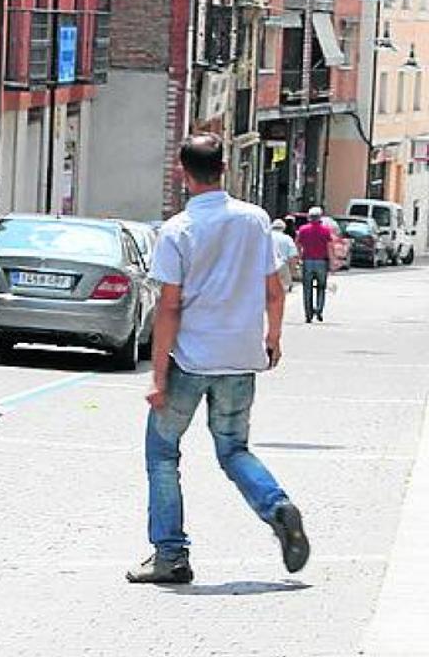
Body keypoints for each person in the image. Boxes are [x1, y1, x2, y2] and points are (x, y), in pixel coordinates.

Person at [126, 133, 309, 585]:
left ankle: (170, 555)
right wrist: (274, 337)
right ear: (224, 169)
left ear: (182, 175)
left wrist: (157, 375)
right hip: (241, 357)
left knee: (162, 453)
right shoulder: (255, 220)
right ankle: (277, 506)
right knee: (233, 449)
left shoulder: (177, 231)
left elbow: (169, 306)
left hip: (191, 359)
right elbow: (274, 288)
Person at [296, 206, 332, 323]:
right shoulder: (326, 230)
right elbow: (329, 247)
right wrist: (331, 261)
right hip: (321, 261)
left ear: (309, 217)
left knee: (307, 288)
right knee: (321, 287)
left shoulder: (303, 229)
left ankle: (308, 314)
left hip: (307, 261)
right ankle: (319, 310)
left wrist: (299, 258)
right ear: (320, 217)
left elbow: (298, 245)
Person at [271, 218, 299, 294]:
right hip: (282, 265)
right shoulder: (287, 238)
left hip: (268, 265)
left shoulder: (266, 237)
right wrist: (292, 270)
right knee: (283, 291)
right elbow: (293, 255)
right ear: (283, 228)